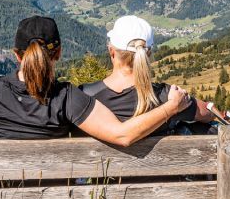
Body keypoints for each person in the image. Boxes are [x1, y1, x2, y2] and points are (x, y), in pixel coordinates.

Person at [0, 15, 190, 146]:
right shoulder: (67, 97)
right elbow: (122, 135)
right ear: (58, 53)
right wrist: (171, 106)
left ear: (17, 54)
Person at [81, 15, 214, 134]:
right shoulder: (168, 96)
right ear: (148, 54)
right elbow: (209, 113)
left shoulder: (84, 95)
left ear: (112, 51)